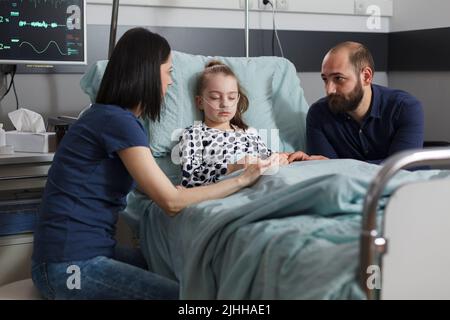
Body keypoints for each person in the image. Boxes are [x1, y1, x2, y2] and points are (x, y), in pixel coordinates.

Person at [31, 28, 272, 300]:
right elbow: (170, 203)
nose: (170, 82)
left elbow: (160, 190)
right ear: (148, 72)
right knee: (184, 298)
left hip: (89, 252)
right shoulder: (118, 122)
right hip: (68, 268)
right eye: (168, 72)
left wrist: (182, 191)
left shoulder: (110, 118)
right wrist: (241, 178)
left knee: (178, 270)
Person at [288, 41, 424, 164]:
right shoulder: (318, 114)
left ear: (366, 76)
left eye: (338, 78)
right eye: (325, 79)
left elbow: (402, 167)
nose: (329, 90)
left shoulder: (404, 108)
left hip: (405, 189)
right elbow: (327, 172)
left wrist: (338, 165)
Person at [178, 61, 288, 188]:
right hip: (229, 190)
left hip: (266, 183)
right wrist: (233, 167)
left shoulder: (248, 132)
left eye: (231, 97)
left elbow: (267, 157)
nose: (225, 104)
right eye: (215, 97)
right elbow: (190, 179)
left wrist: (279, 159)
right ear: (200, 102)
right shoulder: (193, 134)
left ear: (237, 100)